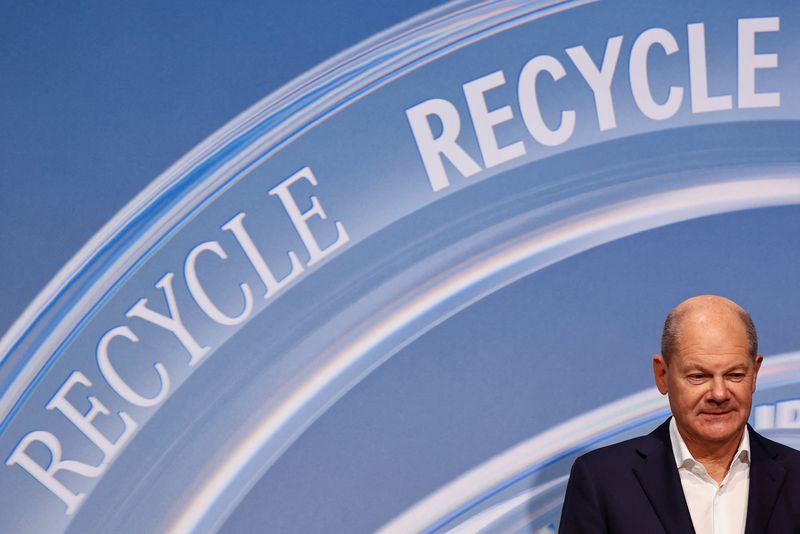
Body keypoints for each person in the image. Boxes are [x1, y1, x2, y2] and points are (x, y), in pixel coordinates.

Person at [558, 295, 800, 533]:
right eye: (698, 377)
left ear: (755, 374)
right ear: (662, 375)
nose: (719, 394)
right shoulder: (603, 479)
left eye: (735, 375)